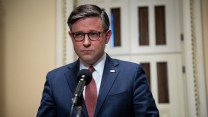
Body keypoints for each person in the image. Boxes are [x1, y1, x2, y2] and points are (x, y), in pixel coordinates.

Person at [37, 4, 159, 117]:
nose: (86, 42)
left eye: (94, 34)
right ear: (71, 37)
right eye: (79, 35)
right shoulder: (55, 79)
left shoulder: (131, 74)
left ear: (107, 37)